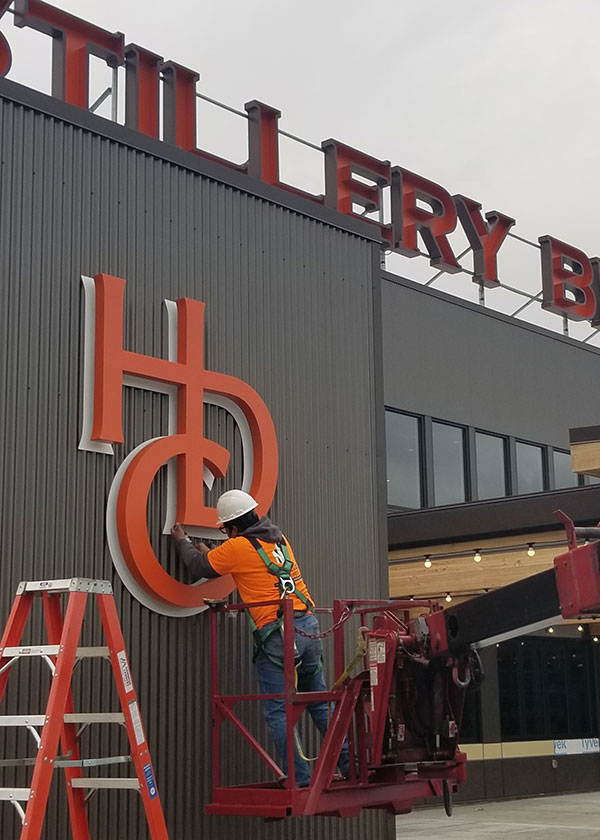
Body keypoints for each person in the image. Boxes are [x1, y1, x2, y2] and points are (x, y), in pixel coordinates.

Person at [170, 489, 349, 787]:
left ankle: (299, 779)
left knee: (279, 710)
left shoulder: (237, 546)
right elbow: (235, 563)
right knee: (318, 701)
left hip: (277, 636)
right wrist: (207, 549)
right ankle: (349, 763)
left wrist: (182, 542)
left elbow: (200, 567)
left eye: (226, 531)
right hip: (307, 627)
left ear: (234, 528)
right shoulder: (279, 539)